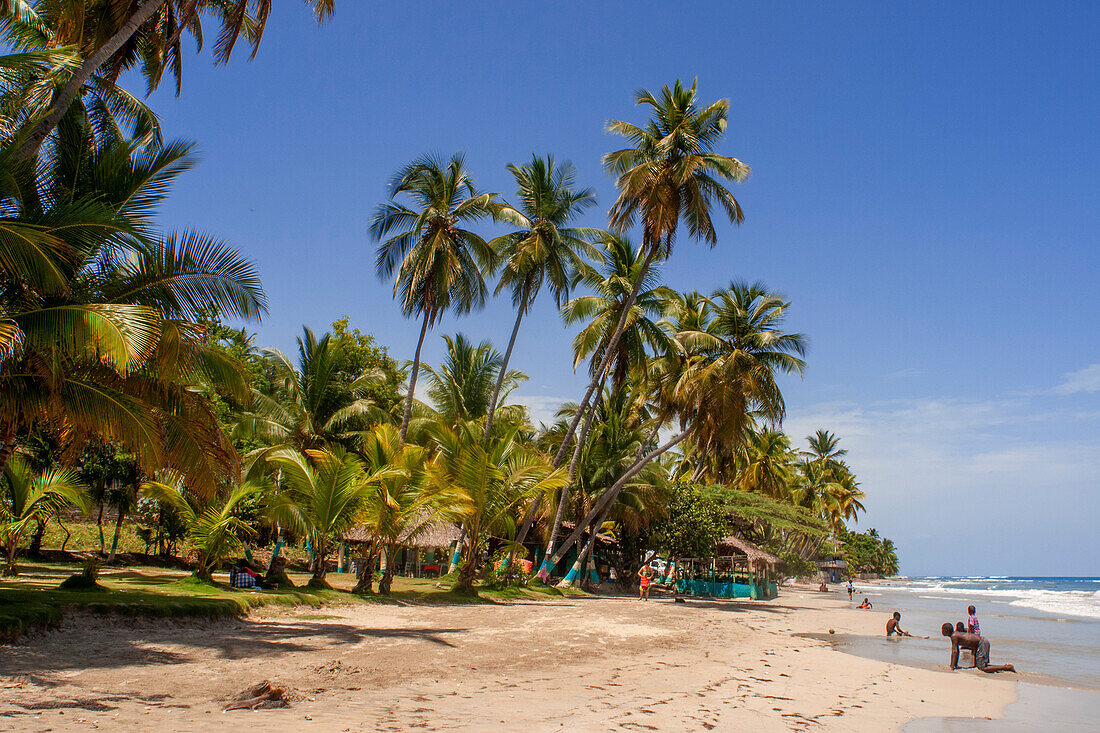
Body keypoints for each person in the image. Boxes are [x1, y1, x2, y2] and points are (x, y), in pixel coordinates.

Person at [941, 623, 1015, 673]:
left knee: (982, 668)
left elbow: (955, 651)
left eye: (943, 630)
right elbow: (956, 651)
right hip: (980, 643)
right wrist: (955, 665)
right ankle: (1005, 667)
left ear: (946, 631)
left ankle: (1007, 668)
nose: (942, 632)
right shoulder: (955, 635)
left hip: (982, 643)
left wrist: (952, 666)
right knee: (980, 665)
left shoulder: (954, 636)